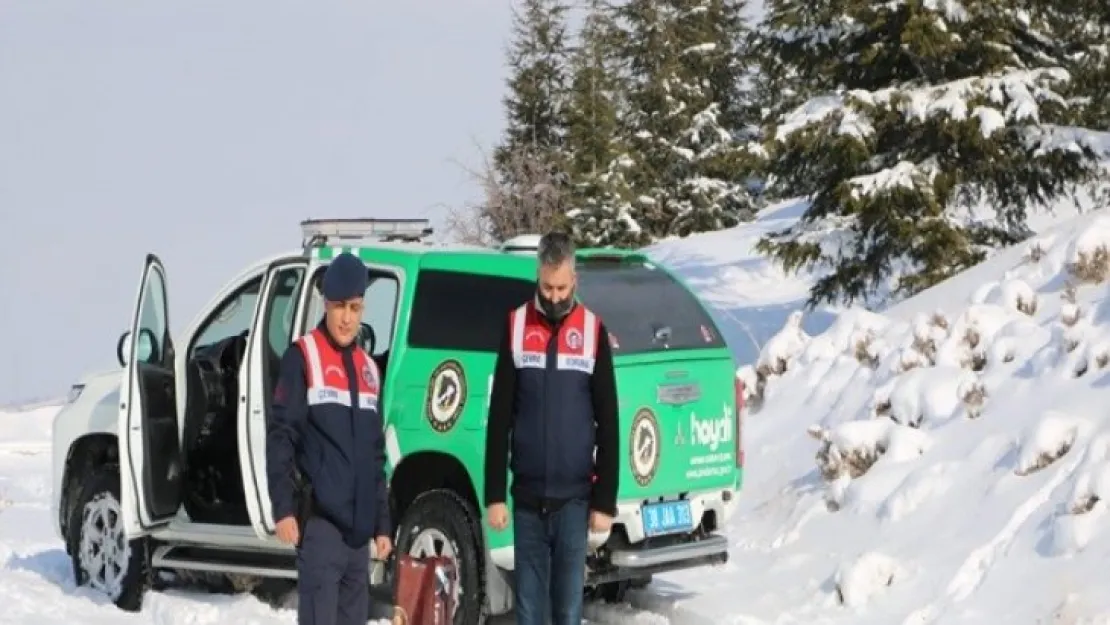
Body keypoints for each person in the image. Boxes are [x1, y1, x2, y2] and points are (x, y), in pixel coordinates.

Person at [483, 231, 620, 625]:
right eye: (547, 287)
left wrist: (604, 501)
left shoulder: (593, 331)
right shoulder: (515, 325)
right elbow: (500, 416)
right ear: (537, 278)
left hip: (575, 502)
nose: (555, 297)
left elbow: (608, 421)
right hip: (527, 501)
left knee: (567, 611)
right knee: (529, 611)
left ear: (574, 280)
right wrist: (495, 494)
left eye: (562, 287)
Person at [266, 251, 393, 625]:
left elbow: (375, 455)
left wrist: (383, 523)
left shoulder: (369, 369)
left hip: (358, 538)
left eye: (355, 307)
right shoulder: (303, 357)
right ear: (326, 304)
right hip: (320, 528)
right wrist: (284, 508)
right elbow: (281, 436)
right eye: (340, 307)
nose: (347, 317)